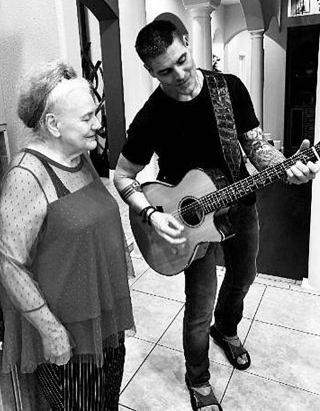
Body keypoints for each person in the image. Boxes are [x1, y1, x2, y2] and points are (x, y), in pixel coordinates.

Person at [113, 20, 319, 411]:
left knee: (244, 275)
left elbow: (256, 148)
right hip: (187, 222)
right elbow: (122, 174)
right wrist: (151, 214)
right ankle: (198, 378)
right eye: (165, 71)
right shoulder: (152, 115)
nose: (179, 76)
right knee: (198, 303)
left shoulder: (228, 89)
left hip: (238, 207)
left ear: (188, 44)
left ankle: (225, 330)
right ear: (150, 72)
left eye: (182, 60)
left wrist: (288, 168)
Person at [0, 60, 135, 411]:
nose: (98, 125)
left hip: (102, 318)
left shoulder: (79, 157)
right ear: (53, 124)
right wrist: (52, 332)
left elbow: (83, 225)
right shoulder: (27, 175)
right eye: (87, 118)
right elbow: (9, 266)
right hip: (68, 331)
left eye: (96, 113)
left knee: (105, 405)